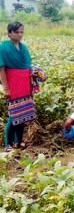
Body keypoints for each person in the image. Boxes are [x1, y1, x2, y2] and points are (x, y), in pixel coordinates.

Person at [0, 21, 34, 152]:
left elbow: (27, 66)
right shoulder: (3, 47)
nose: (20, 35)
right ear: (9, 33)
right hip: (12, 84)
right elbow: (1, 69)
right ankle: (8, 144)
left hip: (24, 84)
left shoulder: (23, 47)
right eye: (17, 32)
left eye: (22, 32)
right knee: (14, 114)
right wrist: (6, 88)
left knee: (23, 113)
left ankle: (18, 141)